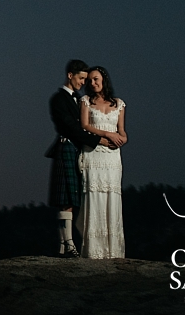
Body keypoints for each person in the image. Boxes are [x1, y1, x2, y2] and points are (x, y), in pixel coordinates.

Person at [47, 59, 119, 258]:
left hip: (76, 149)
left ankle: (65, 245)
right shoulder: (58, 99)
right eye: (81, 78)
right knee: (66, 200)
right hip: (66, 146)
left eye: (86, 79)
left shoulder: (79, 99)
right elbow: (72, 127)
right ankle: (68, 244)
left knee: (72, 198)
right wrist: (101, 141)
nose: (83, 83)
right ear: (70, 75)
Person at [77, 66, 127, 258]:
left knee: (112, 196)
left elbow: (122, 130)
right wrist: (106, 134)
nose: (93, 83)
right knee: (94, 195)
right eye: (90, 80)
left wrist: (121, 139)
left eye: (96, 79)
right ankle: (93, 250)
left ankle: (112, 249)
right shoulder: (86, 101)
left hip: (112, 157)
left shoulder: (119, 104)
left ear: (104, 79)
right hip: (93, 153)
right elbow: (85, 125)